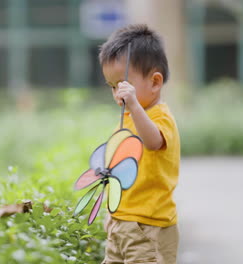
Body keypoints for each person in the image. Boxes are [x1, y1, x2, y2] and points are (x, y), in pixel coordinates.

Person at [99, 24, 180, 264]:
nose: (117, 95)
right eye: (112, 87)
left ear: (155, 82)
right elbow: (117, 171)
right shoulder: (126, 120)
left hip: (149, 227)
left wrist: (134, 105)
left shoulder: (160, 117)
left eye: (122, 85)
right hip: (121, 224)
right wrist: (112, 212)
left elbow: (153, 142)